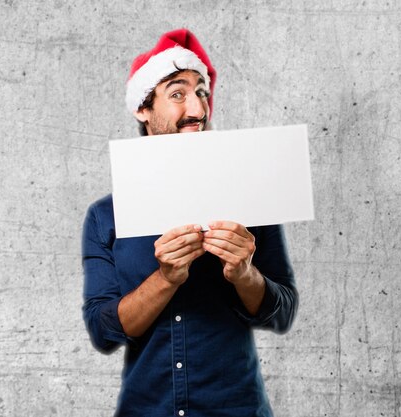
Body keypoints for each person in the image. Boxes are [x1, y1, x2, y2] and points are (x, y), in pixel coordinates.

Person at [81, 29, 298, 417]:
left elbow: (282, 311)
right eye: (178, 93)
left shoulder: (253, 197)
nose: (198, 110)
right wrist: (164, 279)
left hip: (236, 408)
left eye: (202, 93)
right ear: (142, 109)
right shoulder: (105, 217)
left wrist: (244, 274)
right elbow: (103, 329)